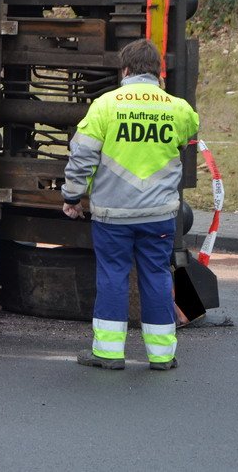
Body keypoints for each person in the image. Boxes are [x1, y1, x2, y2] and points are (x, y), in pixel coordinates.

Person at [61, 39, 199, 371]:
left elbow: (81, 157)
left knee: (112, 276)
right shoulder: (178, 109)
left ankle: (108, 354)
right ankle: (163, 356)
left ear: (124, 70)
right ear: (159, 72)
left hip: (113, 215)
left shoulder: (105, 106)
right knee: (156, 275)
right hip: (159, 216)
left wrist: (71, 196)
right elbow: (190, 133)